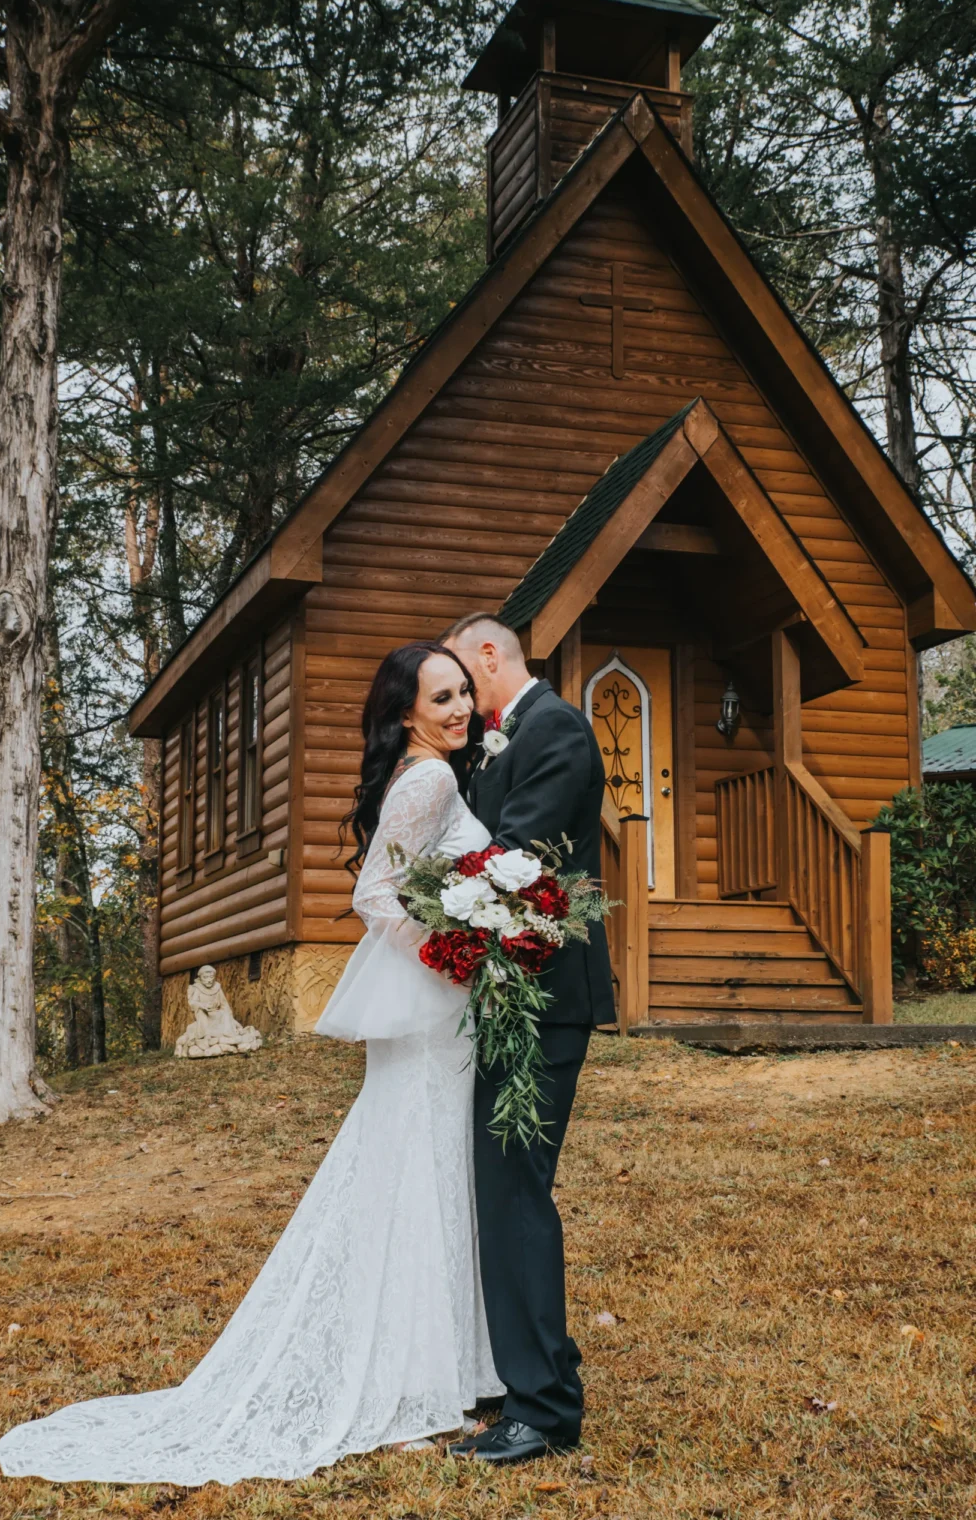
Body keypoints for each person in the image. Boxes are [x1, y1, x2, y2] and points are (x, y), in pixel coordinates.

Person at [0, 642, 504, 1486]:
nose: (457, 709)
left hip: (435, 1015)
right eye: (439, 697)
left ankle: (435, 1371)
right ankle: (410, 1385)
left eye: (462, 694)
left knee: (421, 1174)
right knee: (421, 1174)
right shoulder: (433, 779)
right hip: (434, 1007)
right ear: (405, 713)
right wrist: (452, 952)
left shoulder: (431, 772)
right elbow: (374, 895)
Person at [440, 614, 614, 1467]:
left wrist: (431, 902)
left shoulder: (557, 731)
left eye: (460, 685)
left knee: (516, 1193)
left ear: (486, 656)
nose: (460, 705)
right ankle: (525, 1383)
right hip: (508, 992)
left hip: (542, 998)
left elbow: (517, 863)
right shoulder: (508, 741)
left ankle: (541, 1411)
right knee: (503, 1191)